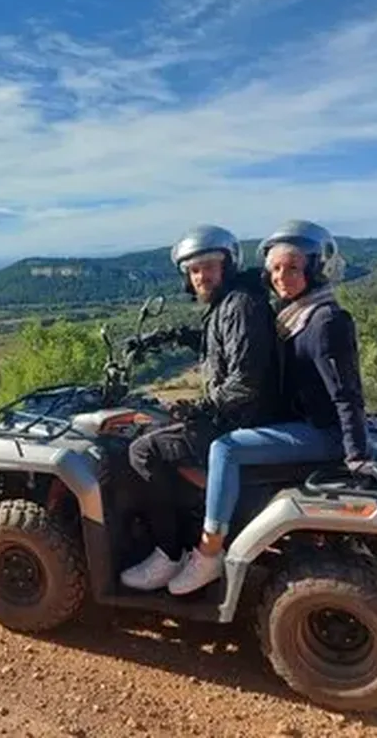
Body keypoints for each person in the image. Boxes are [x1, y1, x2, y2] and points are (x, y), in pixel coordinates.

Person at [166, 219, 377, 596]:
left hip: (323, 432)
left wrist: (357, 457)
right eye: (276, 268)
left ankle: (209, 551)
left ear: (316, 270)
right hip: (303, 422)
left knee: (225, 448)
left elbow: (347, 395)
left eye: (294, 268)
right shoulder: (294, 313)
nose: (282, 276)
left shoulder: (326, 321)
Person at [120, 225, 281, 591]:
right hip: (240, 415)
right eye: (194, 271)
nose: (201, 277)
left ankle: (168, 552)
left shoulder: (239, 307)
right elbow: (219, 347)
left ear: (227, 265)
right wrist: (170, 336)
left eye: (208, 267)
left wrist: (200, 406)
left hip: (242, 420)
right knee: (159, 433)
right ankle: (195, 520)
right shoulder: (233, 302)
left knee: (142, 450)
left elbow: (245, 382)